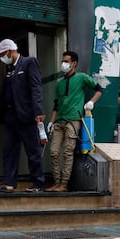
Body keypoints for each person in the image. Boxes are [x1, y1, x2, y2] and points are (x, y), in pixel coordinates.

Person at [0, 38, 46, 193]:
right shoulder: (10, 69)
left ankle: (38, 184)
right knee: (9, 150)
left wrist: (38, 110)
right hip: (10, 117)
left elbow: (36, 87)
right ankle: (8, 183)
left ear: (9, 51)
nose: (2, 58)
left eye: (3, 54)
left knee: (33, 151)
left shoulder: (28, 62)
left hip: (26, 115)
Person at [45, 51, 102, 192]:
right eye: (62, 61)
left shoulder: (82, 77)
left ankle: (64, 184)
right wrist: (51, 122)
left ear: (74, 63)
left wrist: (91, 102)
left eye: (66, 61)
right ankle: (56, 182)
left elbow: (100, 89)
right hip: (59, 121)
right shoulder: (60, 84)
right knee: (53, 152)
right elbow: (56, 105)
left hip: (73, 120)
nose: (63, 64)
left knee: (68, 153)